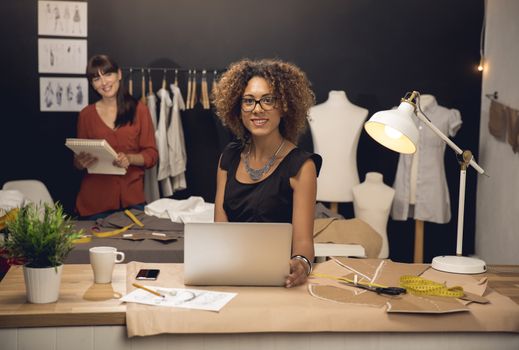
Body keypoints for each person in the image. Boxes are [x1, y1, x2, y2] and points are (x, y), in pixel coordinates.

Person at [212, 59, 322, 288]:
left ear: (284, 106)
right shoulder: (228, 158)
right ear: (237, 108)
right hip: (230, 276)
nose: (257, 109)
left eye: (268, 100)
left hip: (279, 280)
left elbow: (303, 242)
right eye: (248, 101)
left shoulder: (301, 166)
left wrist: (300, 265)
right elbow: (219, 234)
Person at [74, 55, 158, 219]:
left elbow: (152, 155)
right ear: (92, 84)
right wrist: (80, 162)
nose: (104, 82)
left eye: (108, 74)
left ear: (119, 74)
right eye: (96, 78)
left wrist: (130, 159)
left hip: (132, 203)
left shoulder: (139, 110)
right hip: (94, 205)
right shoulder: (86, 115)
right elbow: (77, 162)